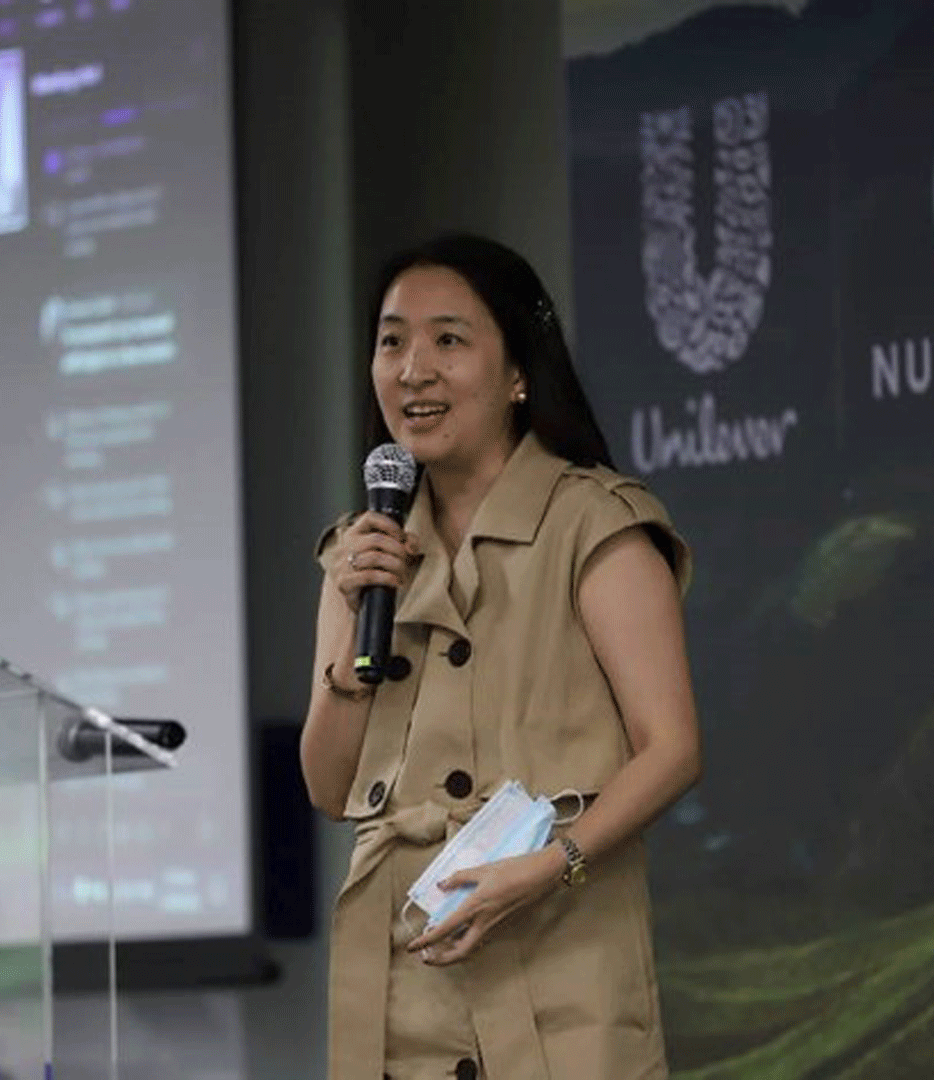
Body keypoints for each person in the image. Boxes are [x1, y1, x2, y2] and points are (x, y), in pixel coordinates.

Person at [301, 233, 701, 1079]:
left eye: (449, 339)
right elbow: (329, 787)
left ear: (519, 371)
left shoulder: (596, 523)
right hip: (405, 983)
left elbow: (671, 750)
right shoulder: (361, 552)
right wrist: (347, 629)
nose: (413, 370)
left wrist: (552, 867)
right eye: (391, 340)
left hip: (557, 968)